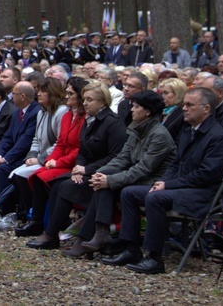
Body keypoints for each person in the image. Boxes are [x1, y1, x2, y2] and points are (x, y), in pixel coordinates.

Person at [103, 87, 223, 274]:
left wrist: (168, 185)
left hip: (203, 194)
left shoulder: (219, 137)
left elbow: (207, 175)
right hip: (180, 187)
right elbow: (175, 164)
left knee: (155, 198)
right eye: (184, 104)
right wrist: (162, 182)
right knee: (129, 192)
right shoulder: (188, 131)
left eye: (189, 105)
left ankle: (155, 258)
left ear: (206, 108)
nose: (184, 109)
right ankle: (131, 249)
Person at [63, 91, 176, 258]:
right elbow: (122, 158)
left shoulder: (159, 135)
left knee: (108, 185)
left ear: (148, 112)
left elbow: (144, 168)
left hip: (153, 182)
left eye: (136, 107)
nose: (131, 110)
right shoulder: (137, 129)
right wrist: (101, 173)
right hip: (137, 177)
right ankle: (99, 235)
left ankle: (93, 237)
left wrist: (110, 180)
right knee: (102, 182)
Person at [25, 81, 127, 249]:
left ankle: (55, 234)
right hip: (85, 169)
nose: (85, 103)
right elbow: (83, 150)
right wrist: (78, 168)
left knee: (64, 186)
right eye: (84, 99)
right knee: (57, 184)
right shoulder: (91, 121)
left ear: (102, 102)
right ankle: (50, 231)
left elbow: (115, 157)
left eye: (90, 100)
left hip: (102, 172)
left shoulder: (112, 123)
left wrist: (85, 169)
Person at [10, 77, 69, 216]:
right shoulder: (41, 112)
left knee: (22, 175)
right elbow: (36, 138)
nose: (39, 94)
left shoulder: (62, 112)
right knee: (14, 174)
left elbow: (59, 142)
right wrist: (32, 155)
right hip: (40, 157)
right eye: (38, 91)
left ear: (52, 93)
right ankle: (28, 209)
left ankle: (36, 213)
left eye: (43, 91)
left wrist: (40, 159)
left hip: (53, 159)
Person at [0, 81, 41, 213]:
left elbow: (26, 141)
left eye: (14, 94)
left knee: (3, 168)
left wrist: (6, 159)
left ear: (23, 96)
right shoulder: (18, 112)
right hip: (14, 153)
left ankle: (6, 208)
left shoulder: (35, 112)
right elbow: (8, 137)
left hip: (26, 156)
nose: (11, 97)